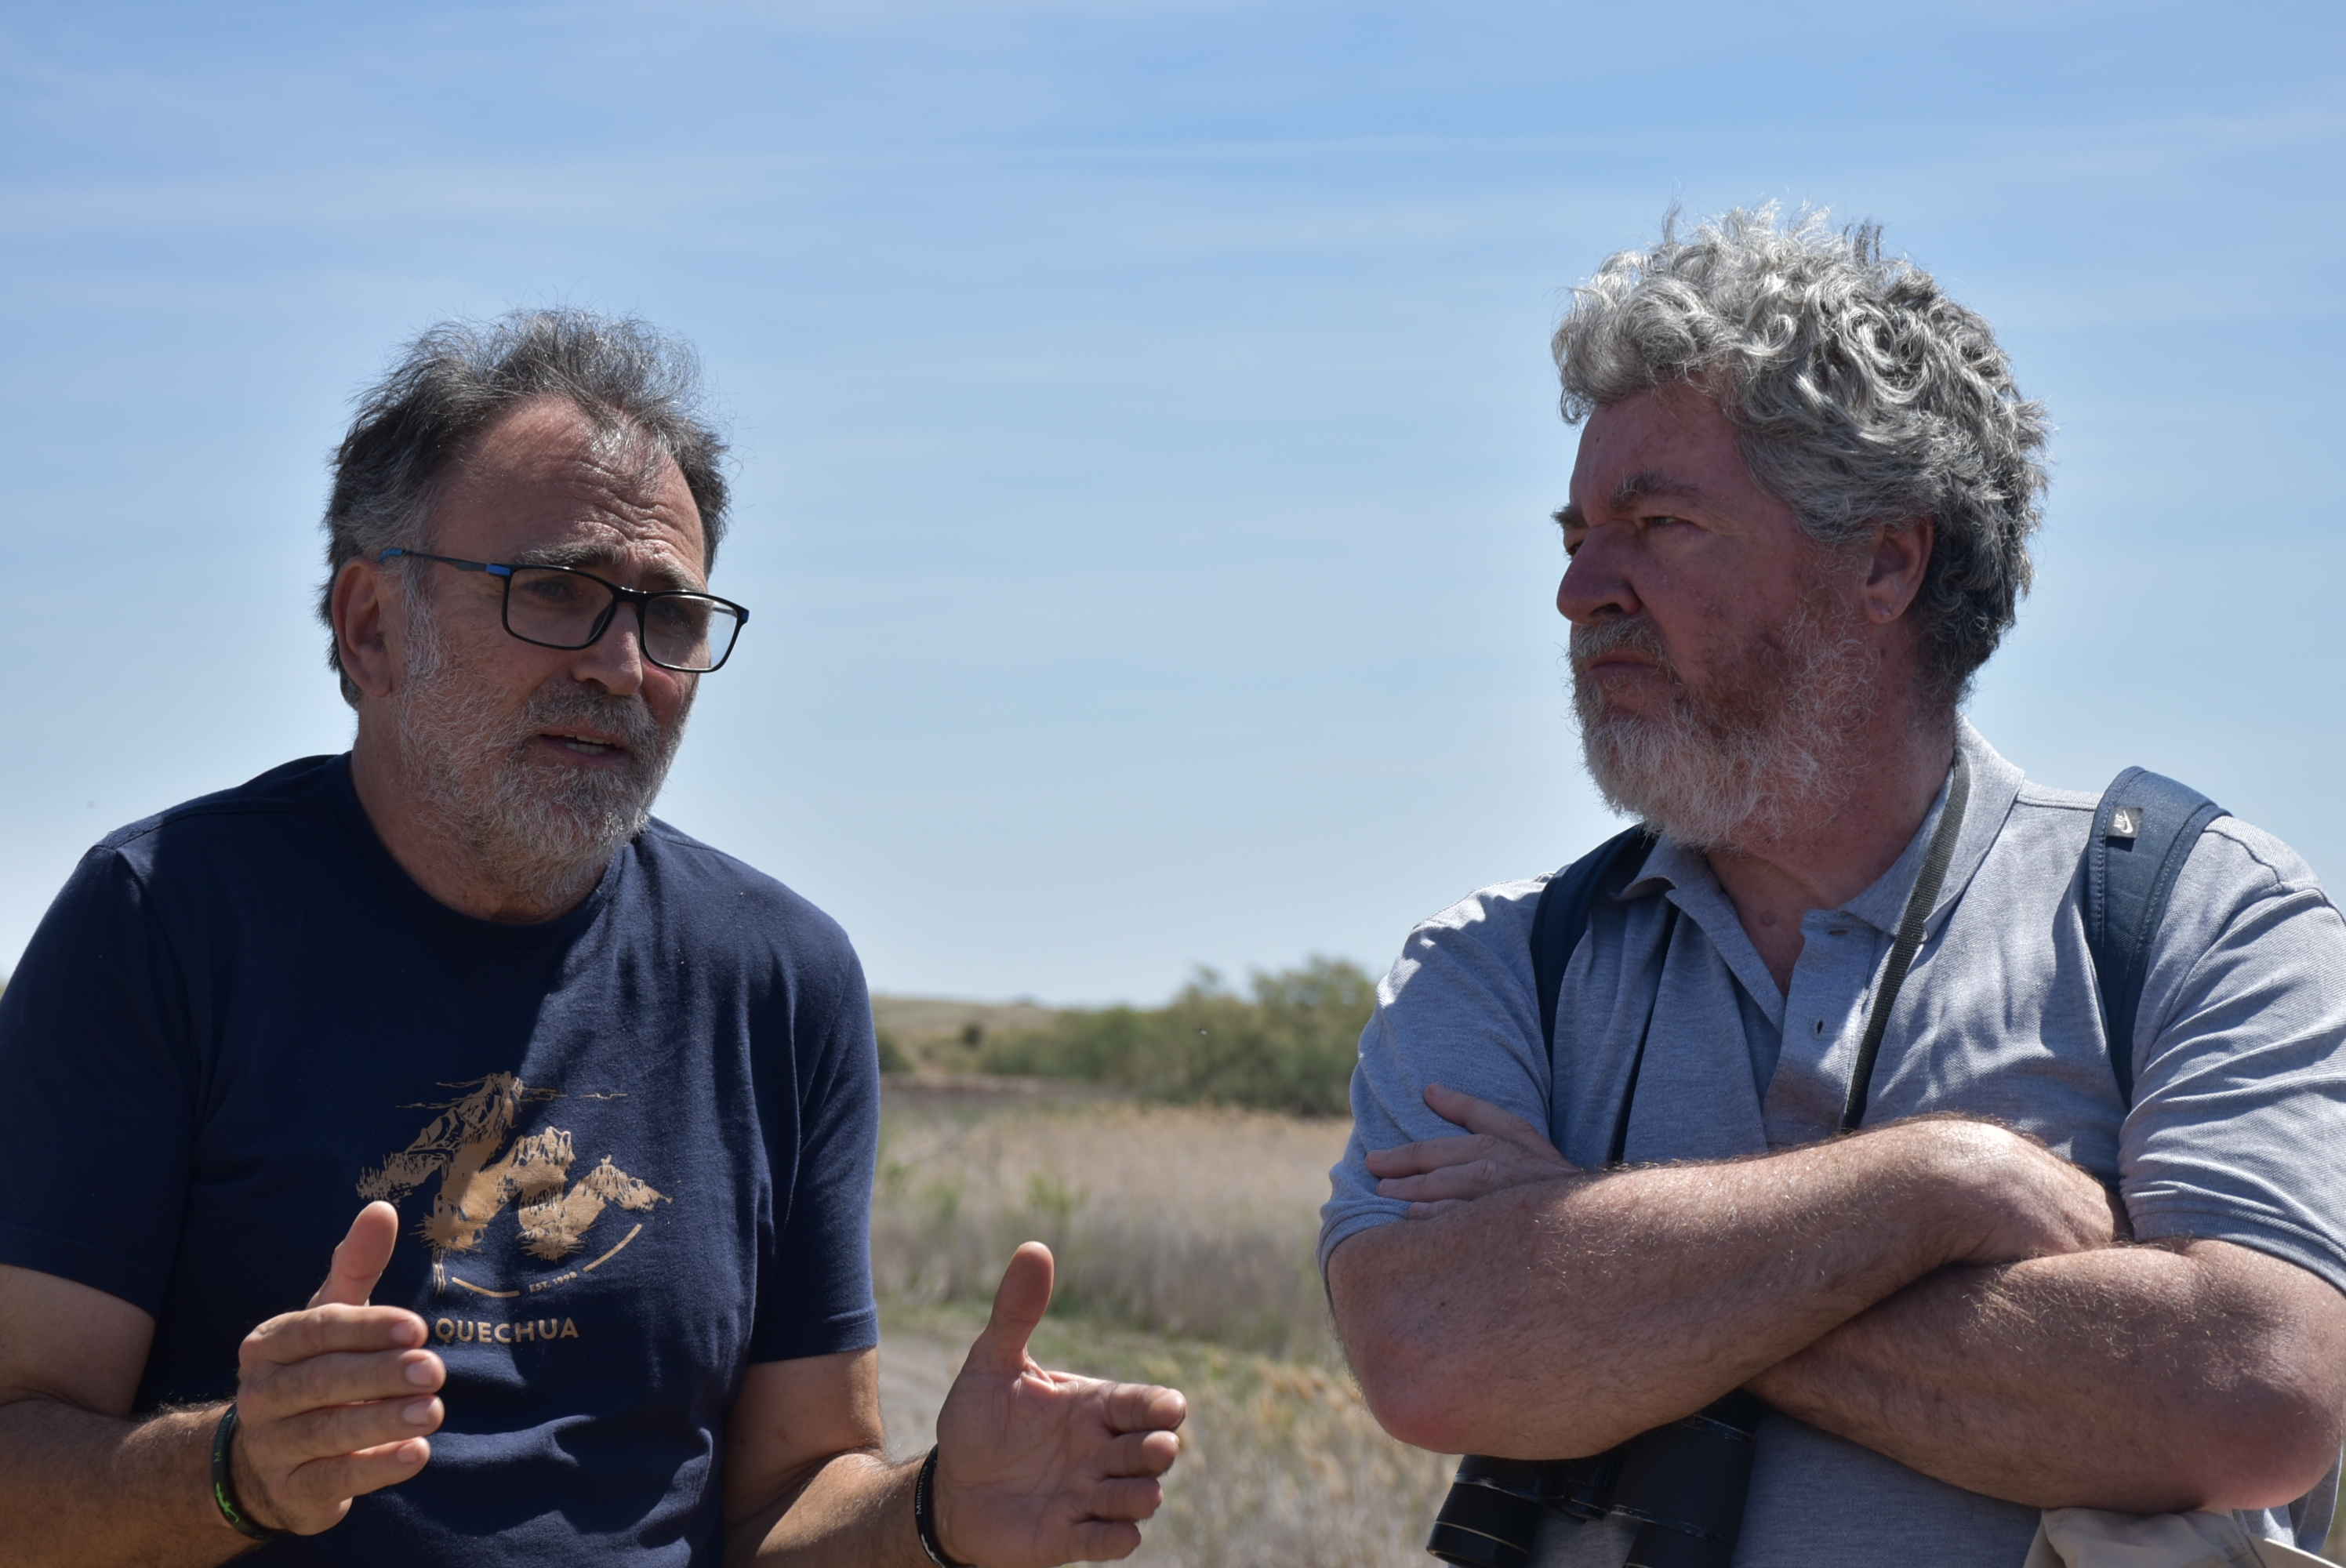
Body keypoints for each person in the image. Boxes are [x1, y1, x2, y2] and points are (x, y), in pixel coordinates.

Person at [0, 310, 1185, 1566]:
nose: (623, 663)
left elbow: (786, 1504)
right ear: (371, 627)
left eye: (670, 615)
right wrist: (237, 1471)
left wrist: (939, 1515)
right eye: (555, 590)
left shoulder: (776, 979)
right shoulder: (165, 918)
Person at [1319, 209, 2346, 1566]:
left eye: (1657, 523)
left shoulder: (2196, 919)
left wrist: (1583, 1252)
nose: (1580, 589)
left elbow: (2250, 1400)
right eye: (1575, 531)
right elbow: (1433, 1351)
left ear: (1884, 560)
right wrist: (1935, 1187)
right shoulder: (1506, 963)